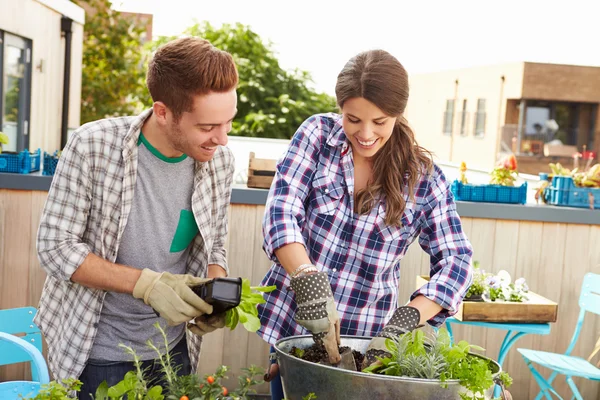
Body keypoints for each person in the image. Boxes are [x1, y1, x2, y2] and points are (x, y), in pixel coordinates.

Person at [256, 49, 473, 399]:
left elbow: (457, 263)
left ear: (398, 115)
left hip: (367, 350)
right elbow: (281, 211)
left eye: (380, 121)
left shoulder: (424, 179)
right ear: (340, 108)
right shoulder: (317, 137)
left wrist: (405, 321)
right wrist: (306, 277)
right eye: (353, 119)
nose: (366, 133)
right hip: (296, 330)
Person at [35, 37, 238, 398]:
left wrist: (214, 290)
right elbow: (55, 247)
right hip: (97, 350)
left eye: (228, 123)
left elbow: (214, 243)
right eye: (207, 127)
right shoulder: (92, 146)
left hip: (173, 349)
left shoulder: (219, 163)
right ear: (163, 112)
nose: (222, 139)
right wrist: (146, 284)